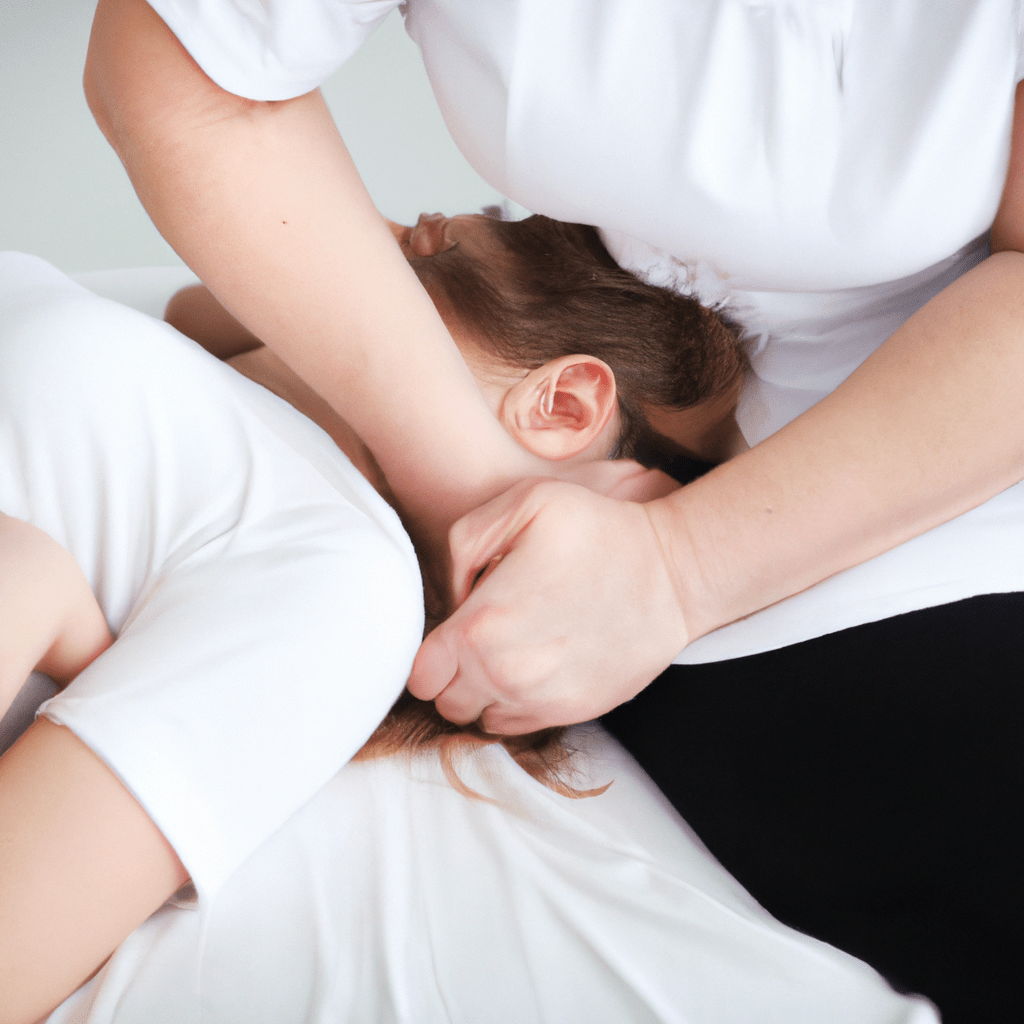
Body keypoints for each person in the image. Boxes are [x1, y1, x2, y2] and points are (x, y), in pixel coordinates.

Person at [82, 3, 1024, 1018]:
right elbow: (186, 79)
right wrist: (463, 477)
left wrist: (673, 568)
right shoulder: (329, 582)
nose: (420, 231)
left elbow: (197, 306)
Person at [0, 235, 938, 1024]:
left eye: (444, 242)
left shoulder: (336, 587)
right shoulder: (190, 369)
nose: (379, 230)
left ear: (562, 406)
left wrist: (38, 591)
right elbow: (212, 293)